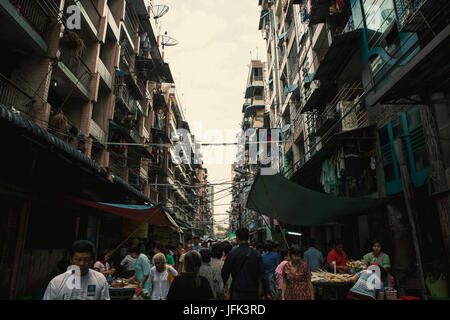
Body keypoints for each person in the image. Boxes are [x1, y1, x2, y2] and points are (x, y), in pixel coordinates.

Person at [43, 240, 110, 300]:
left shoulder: (100, 280)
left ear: (91, 261)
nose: (82, 263)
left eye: (86, 260)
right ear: (71, 260)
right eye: (78, 259)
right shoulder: (56, 283)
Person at [222, 228, 271, 300]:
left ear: (237, 238)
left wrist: (224, 288)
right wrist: (267, 291)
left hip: (237, 291)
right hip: (252, 291)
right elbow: (263, 274)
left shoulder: (232, 254)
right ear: (248, 238)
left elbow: (225, 273)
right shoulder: (256, 254)